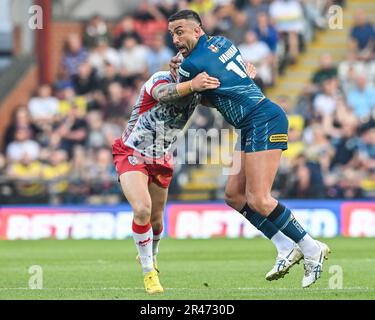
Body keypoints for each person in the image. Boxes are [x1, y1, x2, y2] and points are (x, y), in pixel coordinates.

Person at [167, 9, 330, 288]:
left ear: (197, 30)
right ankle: (284, 246)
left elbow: (184, 102)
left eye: (180, 31)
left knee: (259, 199)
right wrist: (189, 78)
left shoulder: (191, 65)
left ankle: (312, 247)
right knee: (233, 195)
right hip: (250, 122)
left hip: (262, 119)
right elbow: (222, 88)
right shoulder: (224, 43)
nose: (175, 38)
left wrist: (179, 79)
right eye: (172, 33)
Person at [113, 60, 256, 294]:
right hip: (132, 152)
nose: (178, 68)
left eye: (184, 66)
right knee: (142, 209)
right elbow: (163, 95)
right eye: (176, 64)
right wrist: (193, 84)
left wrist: (243, 78)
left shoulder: (199, 92)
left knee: (157, 222)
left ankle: (151, 256)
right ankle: (149, 273)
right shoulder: (159, 80)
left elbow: (229, 101)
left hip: (161, 157)